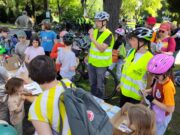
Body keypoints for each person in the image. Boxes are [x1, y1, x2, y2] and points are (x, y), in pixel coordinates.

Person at [28, 55, 72, 135]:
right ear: (54, 68)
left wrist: (37, 101)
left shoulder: (36, 108)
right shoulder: (67, 83)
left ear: (33, 77)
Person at [118, 27, 153, 107]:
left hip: (136, 97)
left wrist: (144, 98)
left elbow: (150, 81)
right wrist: (121, 84)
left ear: (141, 42)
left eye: (133, 40)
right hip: (124, 93)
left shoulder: (150, 59)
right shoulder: (131, 51)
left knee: (132, 118)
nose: (130, 42)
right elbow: (126, 71)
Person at [143, 54, 176, 135]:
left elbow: (170, 109)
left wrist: (152, 100)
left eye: (156, 75)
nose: (154, 77)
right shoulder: (159, 80)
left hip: (162, 116)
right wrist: (148, 91)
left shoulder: (168, 87)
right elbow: (156, 89)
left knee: (156, 132)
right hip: (156, 111)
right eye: (153, 74)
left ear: (166, 72)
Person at [88, 11, 114, 98]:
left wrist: (92, 38)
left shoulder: (108, 34)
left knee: (100, 86)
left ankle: (100, 102)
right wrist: (87, 56)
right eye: (96, 20)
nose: (96, 22)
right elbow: (92, 47)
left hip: (101, 65)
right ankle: (92, 99)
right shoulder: (94, 31)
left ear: (105, 22)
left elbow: (102, 49)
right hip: (92, 62)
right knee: (92, 83)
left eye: (99, 21)